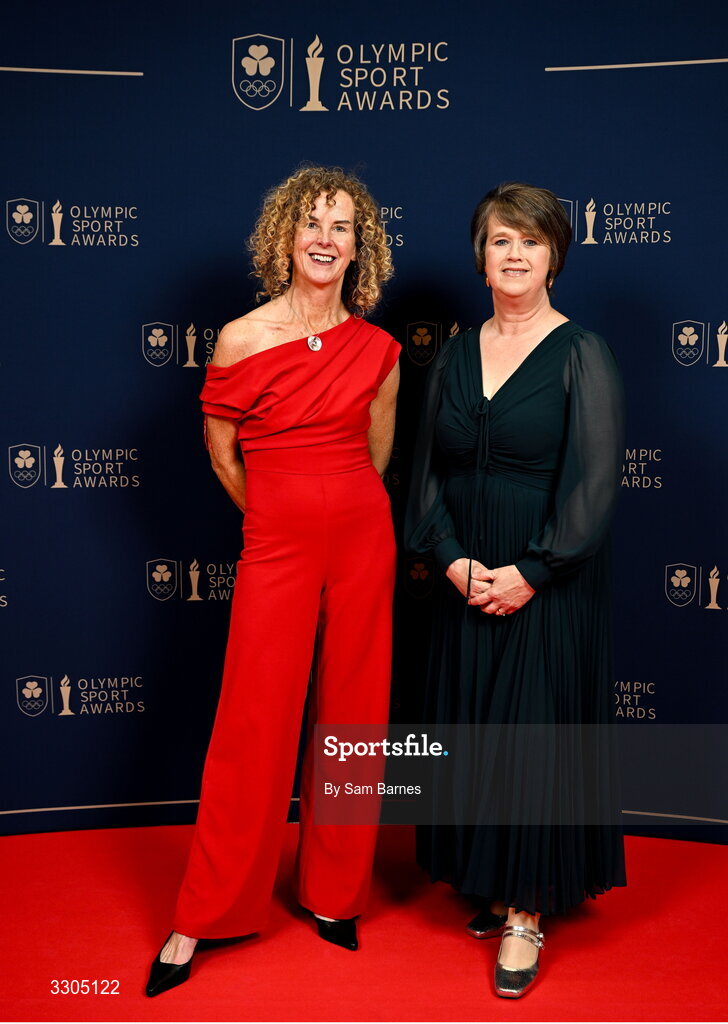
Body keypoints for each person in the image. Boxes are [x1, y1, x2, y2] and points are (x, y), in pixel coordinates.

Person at [146, 166, 400, 997]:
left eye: (342, 228)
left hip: (363, 536)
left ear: (361, 246)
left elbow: (378, 454)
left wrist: (339, 511)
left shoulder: (379, 348)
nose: (326, 240)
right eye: (313, 225)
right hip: (277, 542)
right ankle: (208, 911)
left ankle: (334, 896)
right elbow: (221, 452)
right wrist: (279, 517)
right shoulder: (241, 338)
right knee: (255, 717)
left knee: (355, 711)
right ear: (284, 238)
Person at [405, 182, 626, 998]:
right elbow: (424, 472)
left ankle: (527, 913)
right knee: (476, 727)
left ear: (554, 256)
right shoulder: (456, 354)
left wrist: (532, 572)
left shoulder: (582, 353)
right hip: (468, 574)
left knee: (531, 735)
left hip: (546, 580)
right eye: (500, 240)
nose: (515, 255)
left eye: (530, 241)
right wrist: (454, 558)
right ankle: (494, 880)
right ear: (481, 254)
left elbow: (595, 486)